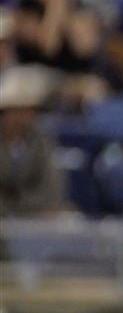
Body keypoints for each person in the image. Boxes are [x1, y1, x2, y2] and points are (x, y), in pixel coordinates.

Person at [0, 65, 63, 216]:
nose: (21, 118)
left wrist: (22, 207)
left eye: (27, 111)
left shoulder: (41, 140)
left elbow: (51, 186)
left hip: (33, 216)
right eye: (15, 111)